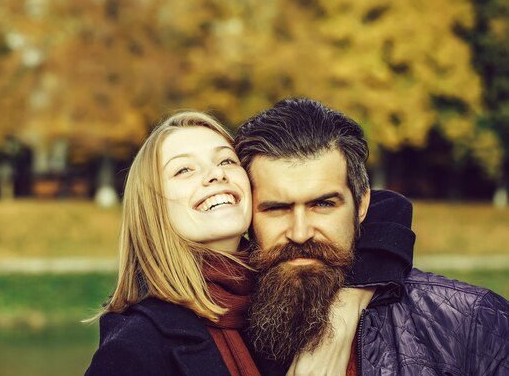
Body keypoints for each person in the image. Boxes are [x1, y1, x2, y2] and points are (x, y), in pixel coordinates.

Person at [83, 111, 414, 376]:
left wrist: (346, 310)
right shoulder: (136, 346)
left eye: (226, 161)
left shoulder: (278, 286)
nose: (215, 175)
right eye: (184, 169)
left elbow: (385, 206)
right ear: (151, 207)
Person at [234, 98, 509, 376]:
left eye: (324, 204)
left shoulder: (471, 323)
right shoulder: (216, 322)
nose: (301, 233)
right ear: (245, 213)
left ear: (362, 205)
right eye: (276, 208)